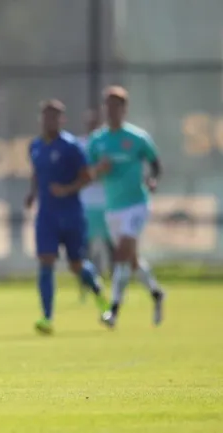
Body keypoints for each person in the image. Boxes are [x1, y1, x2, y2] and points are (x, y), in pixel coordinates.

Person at [25, 100, 109, 334]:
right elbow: (36, 172)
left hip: (71, 214)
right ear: (41, 119)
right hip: (46, 216)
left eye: (55, 117)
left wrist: (66, 190)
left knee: (76, 264)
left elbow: (87, 176)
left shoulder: (71, 146)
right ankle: (47, 317)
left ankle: (99, 293)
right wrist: (32, 193)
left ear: (62, 120)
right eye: (46, 116)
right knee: (46, 262)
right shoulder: (35, 146)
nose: (50, 121)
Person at [88, 86, 165, 328]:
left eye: (117, 106)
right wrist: (99, 169)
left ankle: (114, 310)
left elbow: (155, 164)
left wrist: (153, 180)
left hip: (136, 204)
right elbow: (89, 173)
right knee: (130, 261)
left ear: (124, 109)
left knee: (120, 254)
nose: (112, 111)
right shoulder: (97, 140)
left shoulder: (137, 138)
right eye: (108, 106)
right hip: (113, 208)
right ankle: (156, 292)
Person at [78, 109, 113, 281]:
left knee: (112, 245)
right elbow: (82, 174)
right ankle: (89, 284)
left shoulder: (108, 144)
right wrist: (97, 170)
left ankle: (116, 283)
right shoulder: (80, 145)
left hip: (108, 203)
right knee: (86, 249)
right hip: (87, 204)